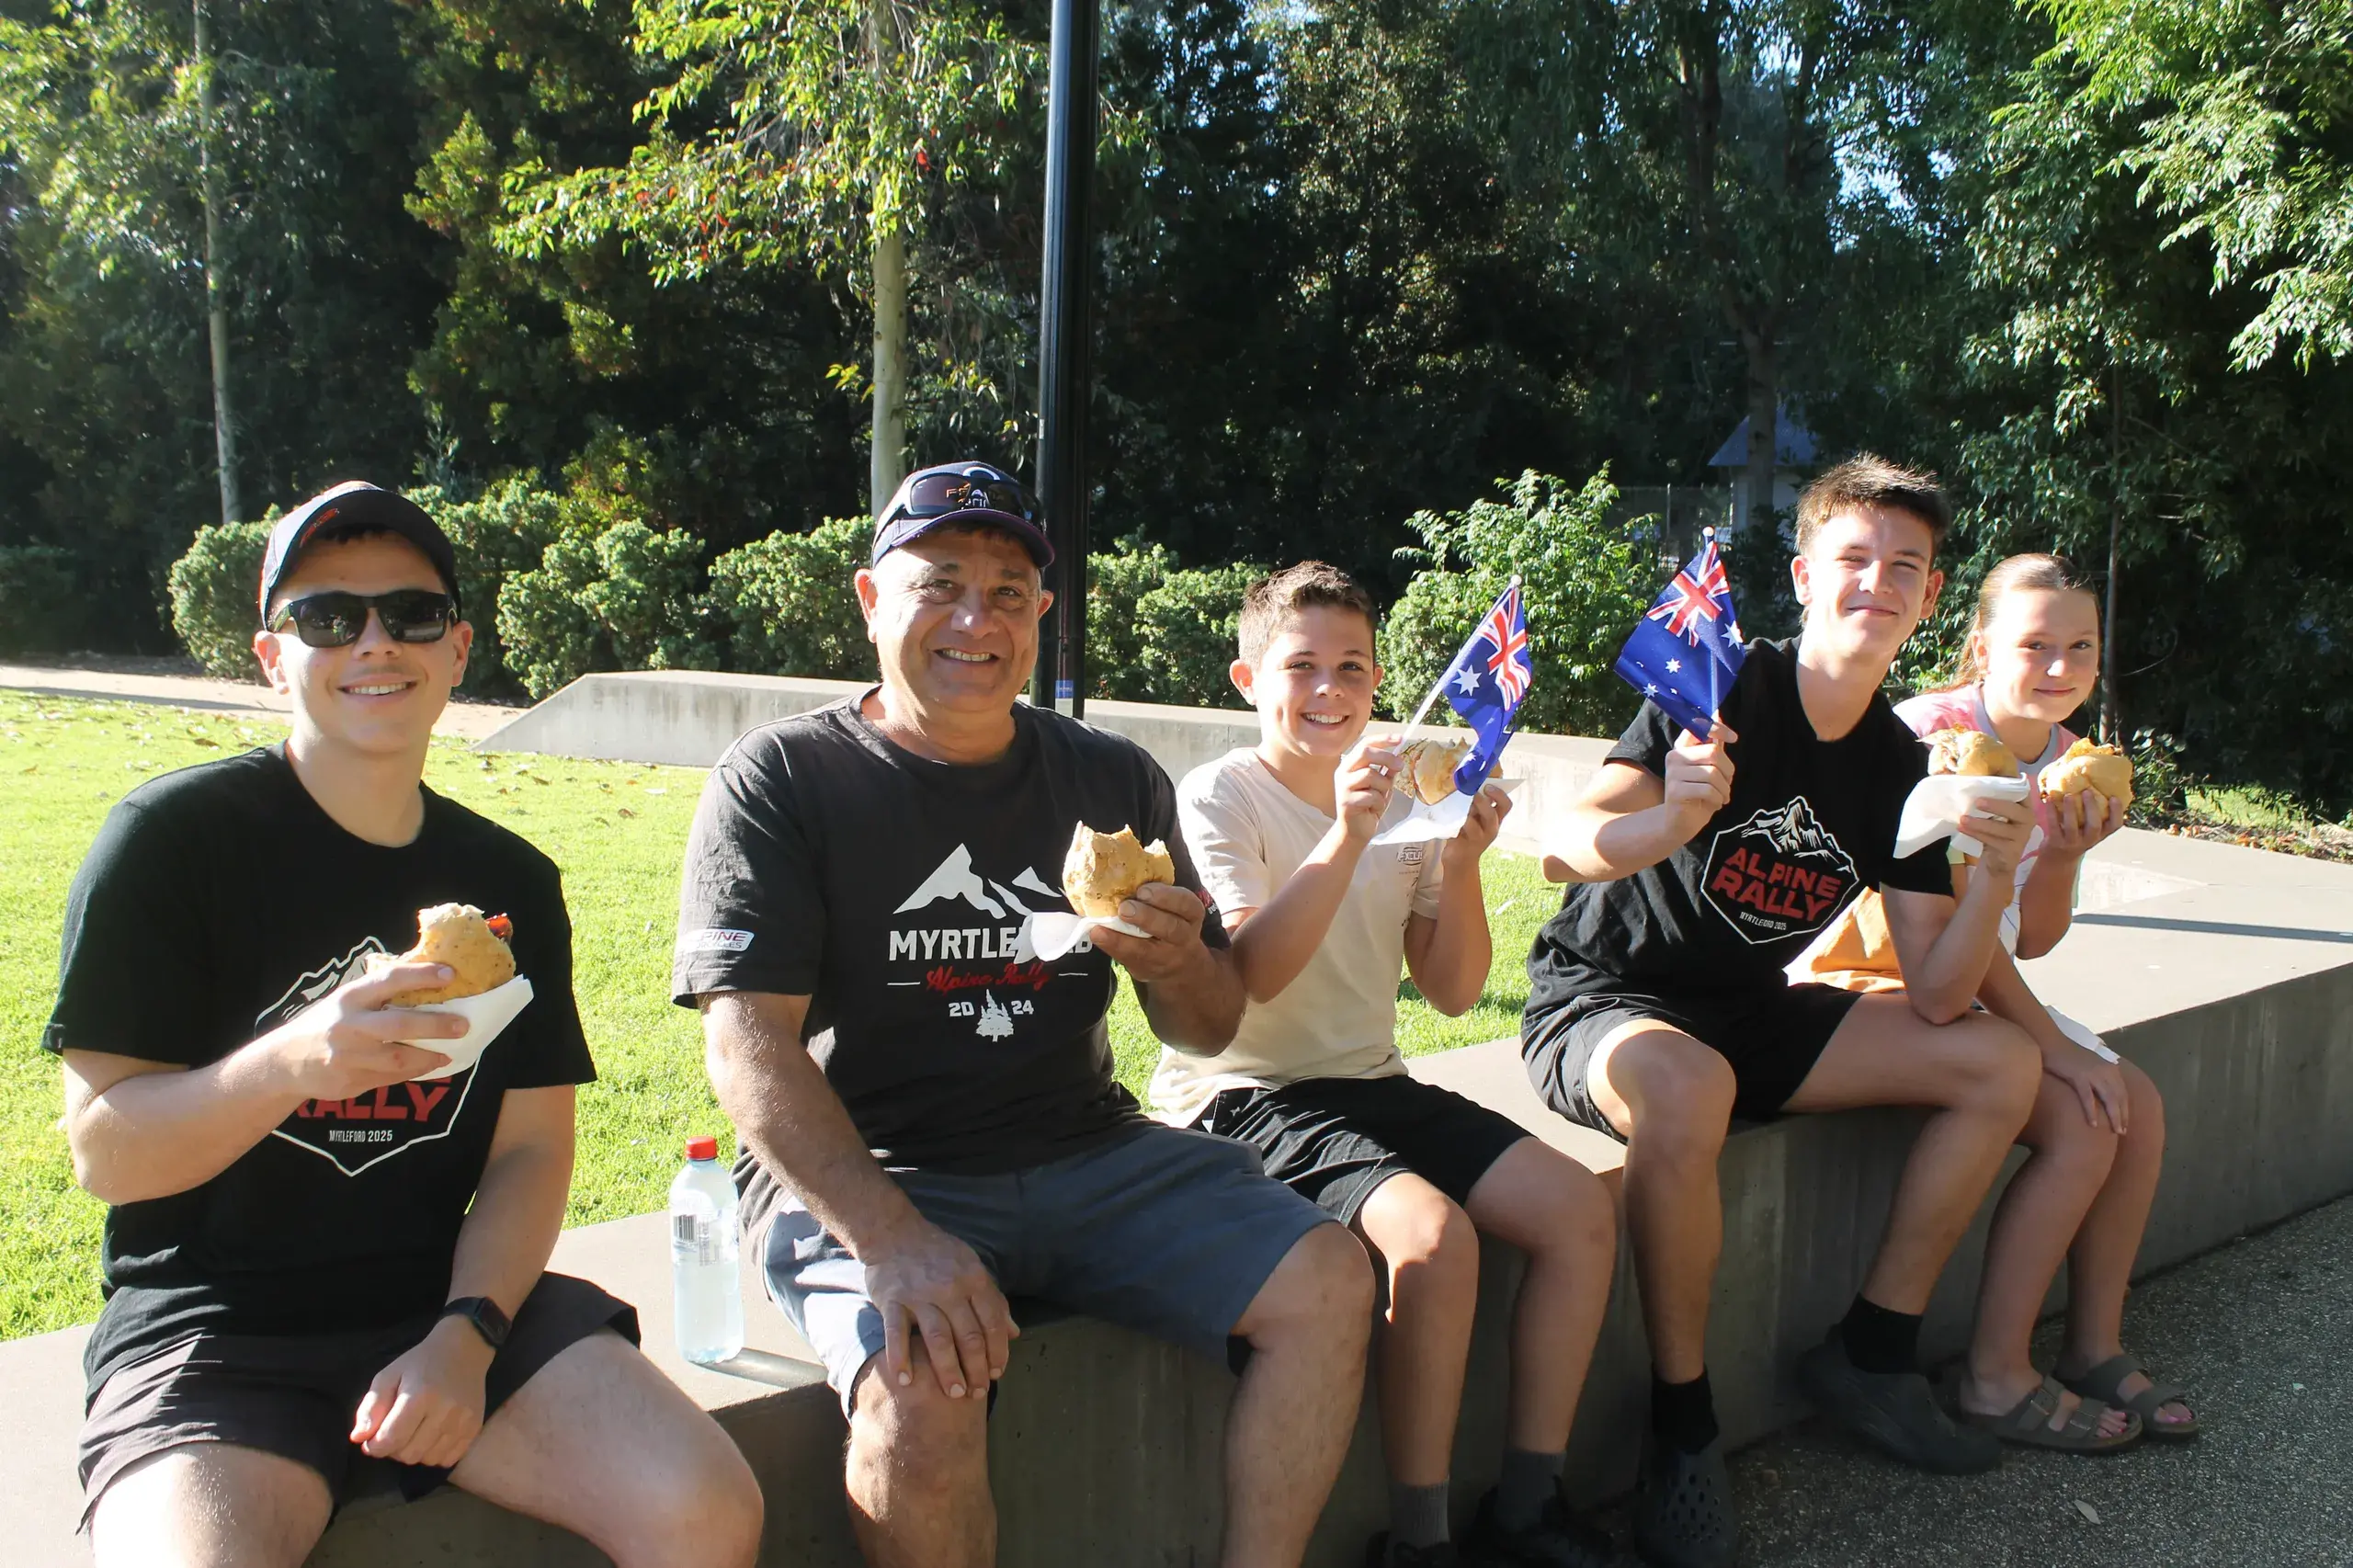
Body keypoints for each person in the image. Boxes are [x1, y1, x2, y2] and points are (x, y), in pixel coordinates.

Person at [673, 461, 1374, 1568]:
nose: (974, 618)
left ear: (1041, 616)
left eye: (1008, 592)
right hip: (879, 1164)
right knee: (919, 1389)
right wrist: (892, 1240)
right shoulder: (782, 776)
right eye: (938, 582)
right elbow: (745, 1039)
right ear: (869, 598)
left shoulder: (1109, 776)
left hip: (1084, 1144)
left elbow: (1206, 1019)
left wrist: (1182, 957)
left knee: (1330, 1281)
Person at [48, 482, 762, 1568]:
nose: (374, 642)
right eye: (329, 617)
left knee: (704, 1507)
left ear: (459, 645)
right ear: (269, 654)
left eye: (411, 614)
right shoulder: (170, 842)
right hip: (216, 1326)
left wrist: (466, 1335)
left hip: (440, 1297)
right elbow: (107, 1152)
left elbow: (529, 1146)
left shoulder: (507, 876)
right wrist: (291, 1061)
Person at [1520, 456, 2048, 1568]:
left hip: (1750, 1010)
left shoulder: (1904, 764)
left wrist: (1992, 875)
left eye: (1903, 566)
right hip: (1607, 999)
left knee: (2000, 1067)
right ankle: (1682, 1424)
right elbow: (1566, 840)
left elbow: (1941, 991)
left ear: (1930, 595)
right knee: (1690, 1085)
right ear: (1805, 574)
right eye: (1853, 558)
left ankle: (1871, 1347)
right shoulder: (1723, 685)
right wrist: (1668, 816)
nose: (1877, 582)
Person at [1153, 562, 1619, 1568]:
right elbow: (1252, 979)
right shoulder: (1221, 793)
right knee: (1433, 1241)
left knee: (1580, 1211)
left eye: (1351, 667)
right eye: (1301, 666)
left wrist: (1452, 856)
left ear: (1378, 679)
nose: (1329, 690)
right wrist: (1347, 828)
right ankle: (1419, 1537)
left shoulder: (1408, 789)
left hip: (1369, 1080)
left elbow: (1451, 990)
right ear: (1247, 677)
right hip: (1243, 1090)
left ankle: (1527, 1505)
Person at [1792, 552, 2194, 1446]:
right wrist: (2051, 1041)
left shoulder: (2069, 761)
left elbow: (2034, 935)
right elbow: (1936, 944)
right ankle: (1993, 1373)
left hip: (1976, 987)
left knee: (2139, 1106)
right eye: (2035, 644)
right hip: (1875, 979)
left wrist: (2064, 853)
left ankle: (2091, 1344)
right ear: (1981, 646)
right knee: (2087, 1112)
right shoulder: (1930, 741)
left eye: (2079, 646)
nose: (2059, 667)